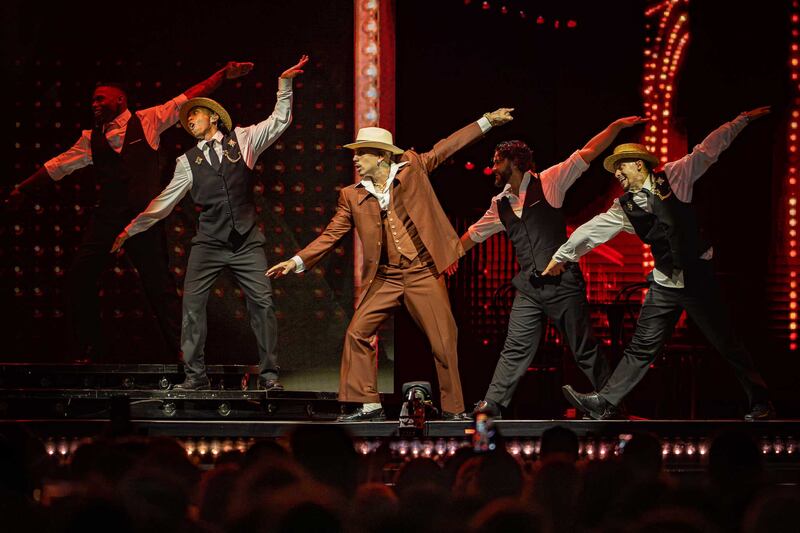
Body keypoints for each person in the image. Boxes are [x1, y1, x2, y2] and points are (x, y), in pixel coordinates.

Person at [268, 108, 514, 420]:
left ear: (382, 156)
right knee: (357, 333)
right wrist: (297, 260)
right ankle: (368, 404)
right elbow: (331, 235)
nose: (355, 160)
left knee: (443, 340)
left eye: (361, 154)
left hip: (422, 270)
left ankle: (454, 409)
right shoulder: (351, 196)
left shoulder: (412, 167)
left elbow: (448, 146)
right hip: (386, 277)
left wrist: (486, 122)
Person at [8, 60, 255, 361]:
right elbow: (58, 166)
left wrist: (223, 74)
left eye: (101, 98)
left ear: (120, 99)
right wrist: (23, 188)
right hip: (108, 218)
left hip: (142, 219)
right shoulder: (91, 138)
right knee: (79, 276)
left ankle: (185, 352)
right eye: (93, 99)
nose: (94, 103)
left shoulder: (148, 119)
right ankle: (88, 348)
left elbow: (188, 97)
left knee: (158, 285)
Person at [543, 106, 774, 420]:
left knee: (725, 341)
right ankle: (606, 402)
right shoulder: (623, 207)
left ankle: (761, 402)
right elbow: (592, 231)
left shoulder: (676, 175)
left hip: (697, 277)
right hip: (665, 281)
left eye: (622, 169)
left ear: (639, 165)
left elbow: (708, 150)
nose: (618, 176)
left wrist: (740, 121)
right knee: (642, 346)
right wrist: (562, 256)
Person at [111, 56, 308, 390]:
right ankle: (195, 377)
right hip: (209, 243)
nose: (190, 121)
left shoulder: (244, 140)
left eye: (196, 115)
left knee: (262, 304)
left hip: (246, 241)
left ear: (214, 117)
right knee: (192, 306)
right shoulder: (187, 162)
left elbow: (279, 121)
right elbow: (163, 204)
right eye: (186, 119)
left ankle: (270, 376)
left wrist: (285, 84)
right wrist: (129, 230)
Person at [459, 116, 646, 418]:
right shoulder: (500, 203)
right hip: (529, 288)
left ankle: (612, 403)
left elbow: (587, 153)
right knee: (515, 345)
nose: (492, 168)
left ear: (513, 161)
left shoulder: (550, 181)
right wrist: (445, 260)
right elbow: (471, 236)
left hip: (562, 283)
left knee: (583, 347)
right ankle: (491, 404)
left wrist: (614, 128)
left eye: (497, 162)